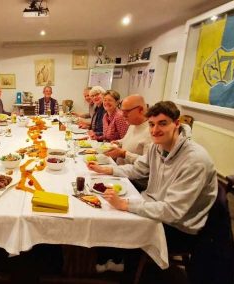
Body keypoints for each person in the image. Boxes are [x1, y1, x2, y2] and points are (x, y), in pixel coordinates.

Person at [87, 101, 218, 281]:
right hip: (153, 204)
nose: (155, 130)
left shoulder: (195, 161)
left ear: (177, 124)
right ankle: (113, 258)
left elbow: (173, 212)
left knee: (114, 219)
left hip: (180, 227)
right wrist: (107, 170)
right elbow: (138, 169)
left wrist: (126, 204)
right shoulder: (158, 146)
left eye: (163, 123)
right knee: (105, 210)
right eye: (151, 124)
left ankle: (124, 269)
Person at [104, 94, 151, 165]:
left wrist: (124, 154)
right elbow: (129, 140)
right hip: (121, 170)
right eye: (122, 111)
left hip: (132, 175)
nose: (122, 115)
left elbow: (147, 163)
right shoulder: (132, 123)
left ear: (140, 110)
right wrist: (119, 143)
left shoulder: (151, 132)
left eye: (126, 112)